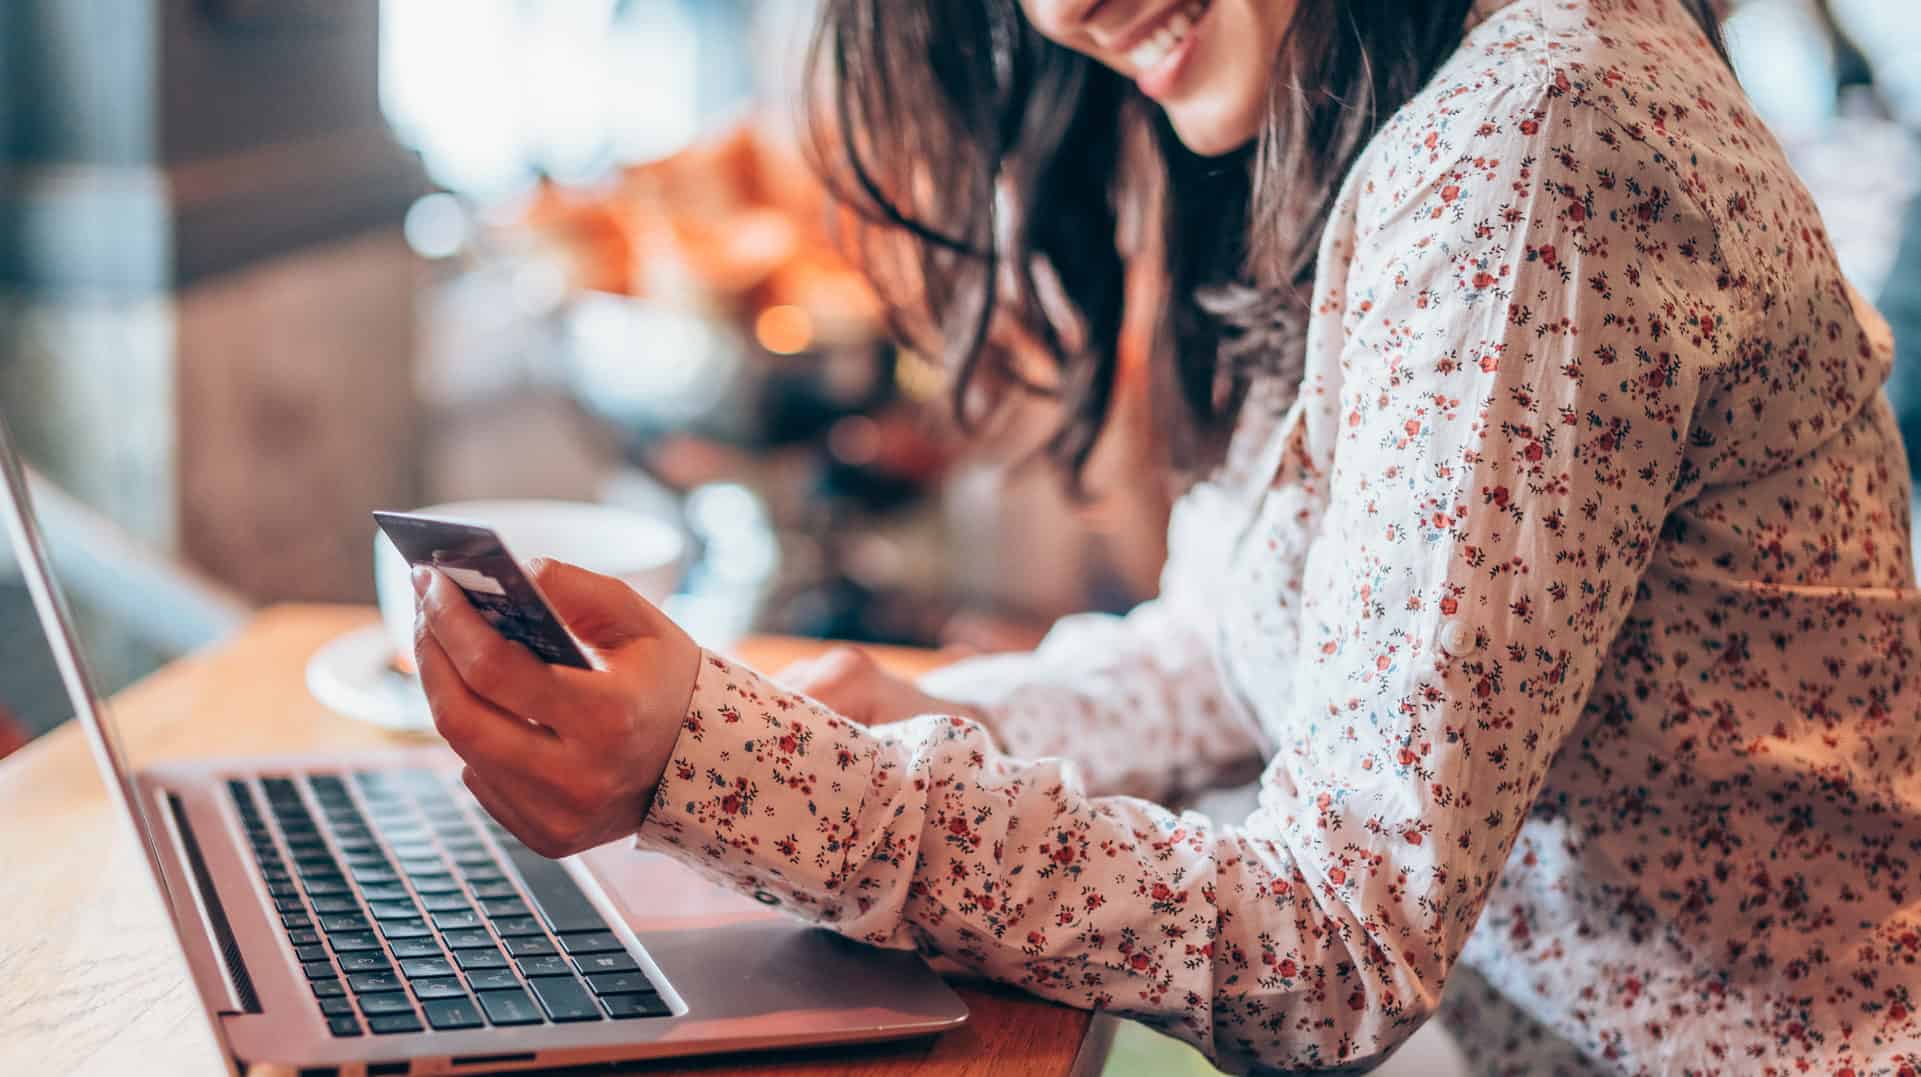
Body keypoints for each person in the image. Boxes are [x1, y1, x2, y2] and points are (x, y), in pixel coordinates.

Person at [411, 0, 1921, 1072]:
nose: (1062, 8)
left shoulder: (1528, 138)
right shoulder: (1383, 107)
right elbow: (1236, 650)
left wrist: (732, 780)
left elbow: (1334, 948)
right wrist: (885, 723)